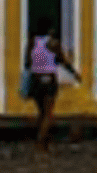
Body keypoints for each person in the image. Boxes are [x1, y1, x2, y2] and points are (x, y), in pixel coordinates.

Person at [25, 17, 81, 152]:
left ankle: (44, 140)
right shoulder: (54, 43)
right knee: (48, 113)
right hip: (49, 79)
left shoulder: (32, 42)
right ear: (49, 29)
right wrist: (75, 74)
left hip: (36, 79)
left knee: (41, 112)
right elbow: (63, 61)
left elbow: (27, 62)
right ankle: (41, 142)